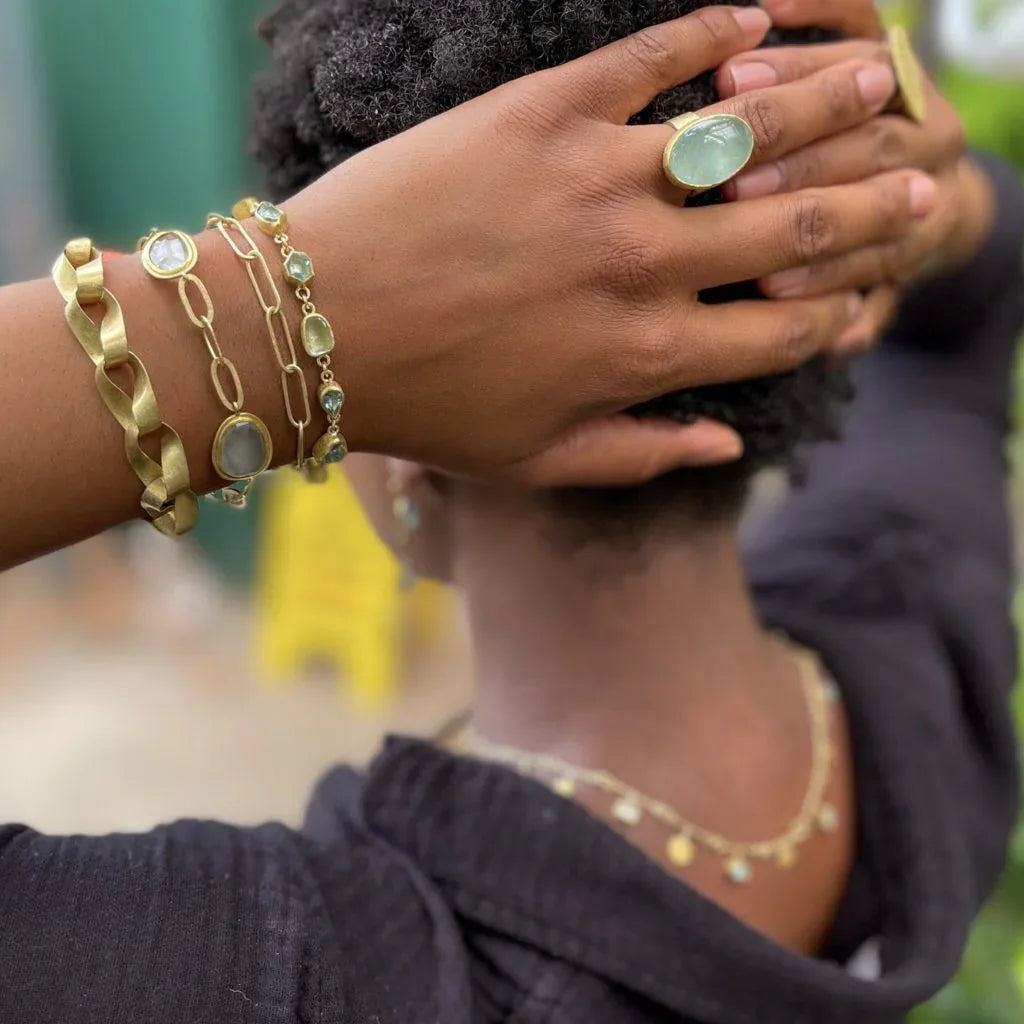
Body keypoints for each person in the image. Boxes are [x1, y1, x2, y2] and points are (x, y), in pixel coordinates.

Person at [0, 3, 1019, 1023]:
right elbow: (965, 313)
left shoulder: (310, 973)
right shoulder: (921, 645)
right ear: (820, 309)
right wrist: (931, 194)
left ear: (413, 459)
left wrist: (284, 319)